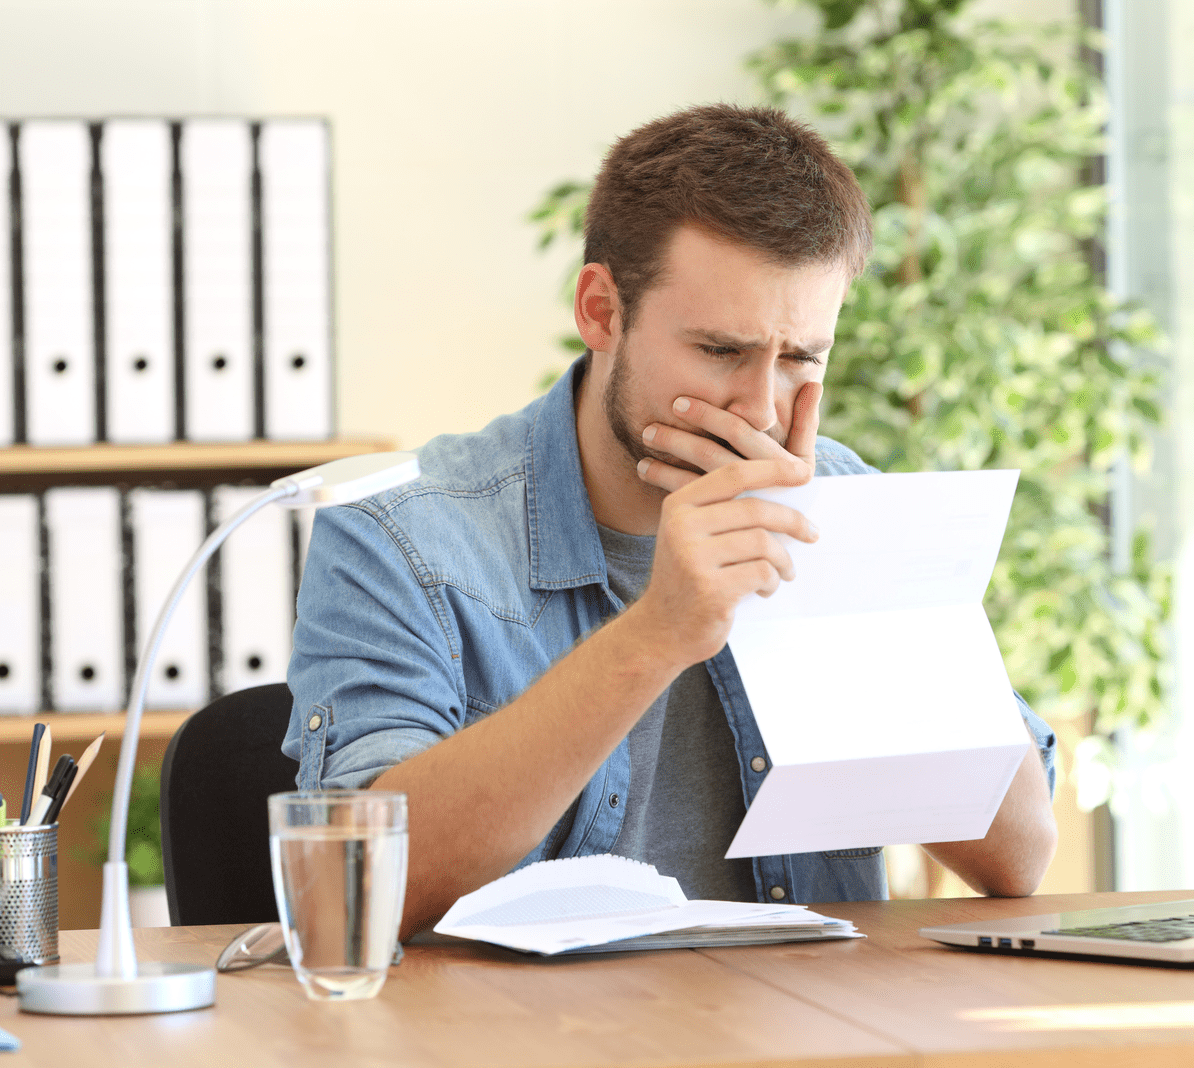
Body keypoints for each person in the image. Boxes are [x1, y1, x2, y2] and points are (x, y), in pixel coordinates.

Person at [285, 104, 1058, 940]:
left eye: (800, 358)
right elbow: (356, 889)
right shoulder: (399, 539)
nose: (761, 406)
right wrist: (656, 634)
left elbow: (1017, 859)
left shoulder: (843, 503)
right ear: (600, 311)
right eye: (721, 352)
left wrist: (842, 578)